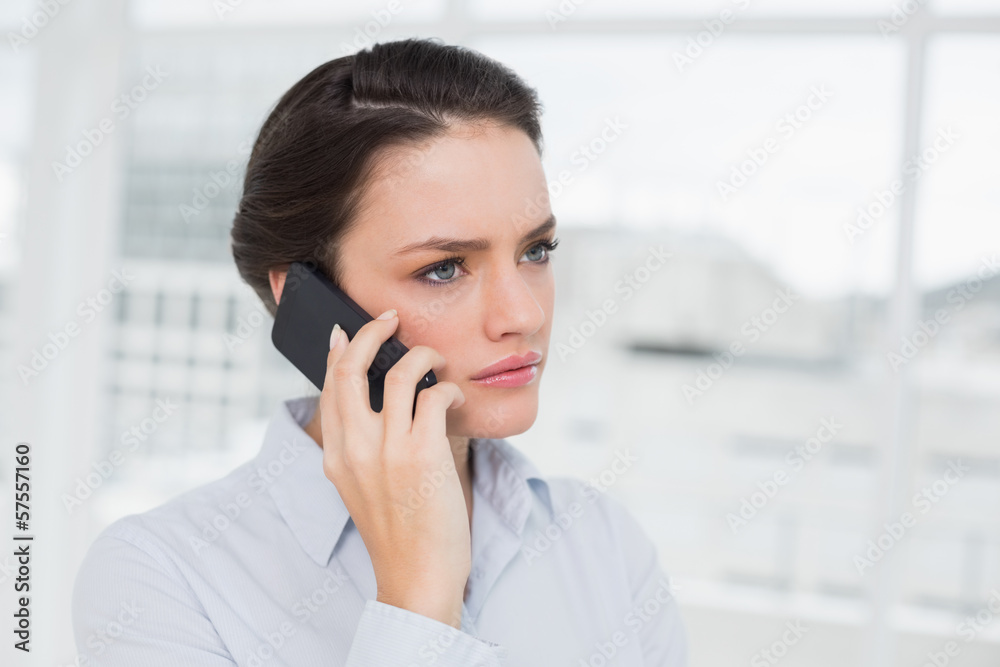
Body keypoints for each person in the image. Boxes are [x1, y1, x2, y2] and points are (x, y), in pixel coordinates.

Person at [71, 37, 688, 666]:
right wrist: (418, 598)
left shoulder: (605, 544)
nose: (523, 316)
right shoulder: (160, 579)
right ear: (309, 302)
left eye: (535, 251)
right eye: (445, 268)